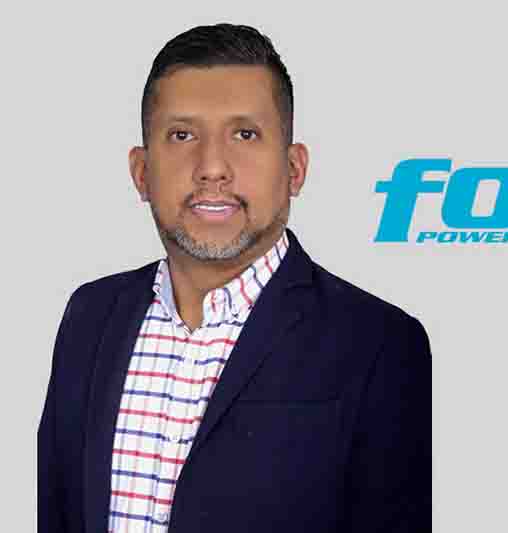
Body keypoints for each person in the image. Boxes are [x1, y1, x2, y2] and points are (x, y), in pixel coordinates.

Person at [37, 23, 432, 533]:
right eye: (182, 135)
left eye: (245, 134)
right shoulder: (88, 316)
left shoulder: (380, 344)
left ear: (294, 168)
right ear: (141, 171)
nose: (212, 167)